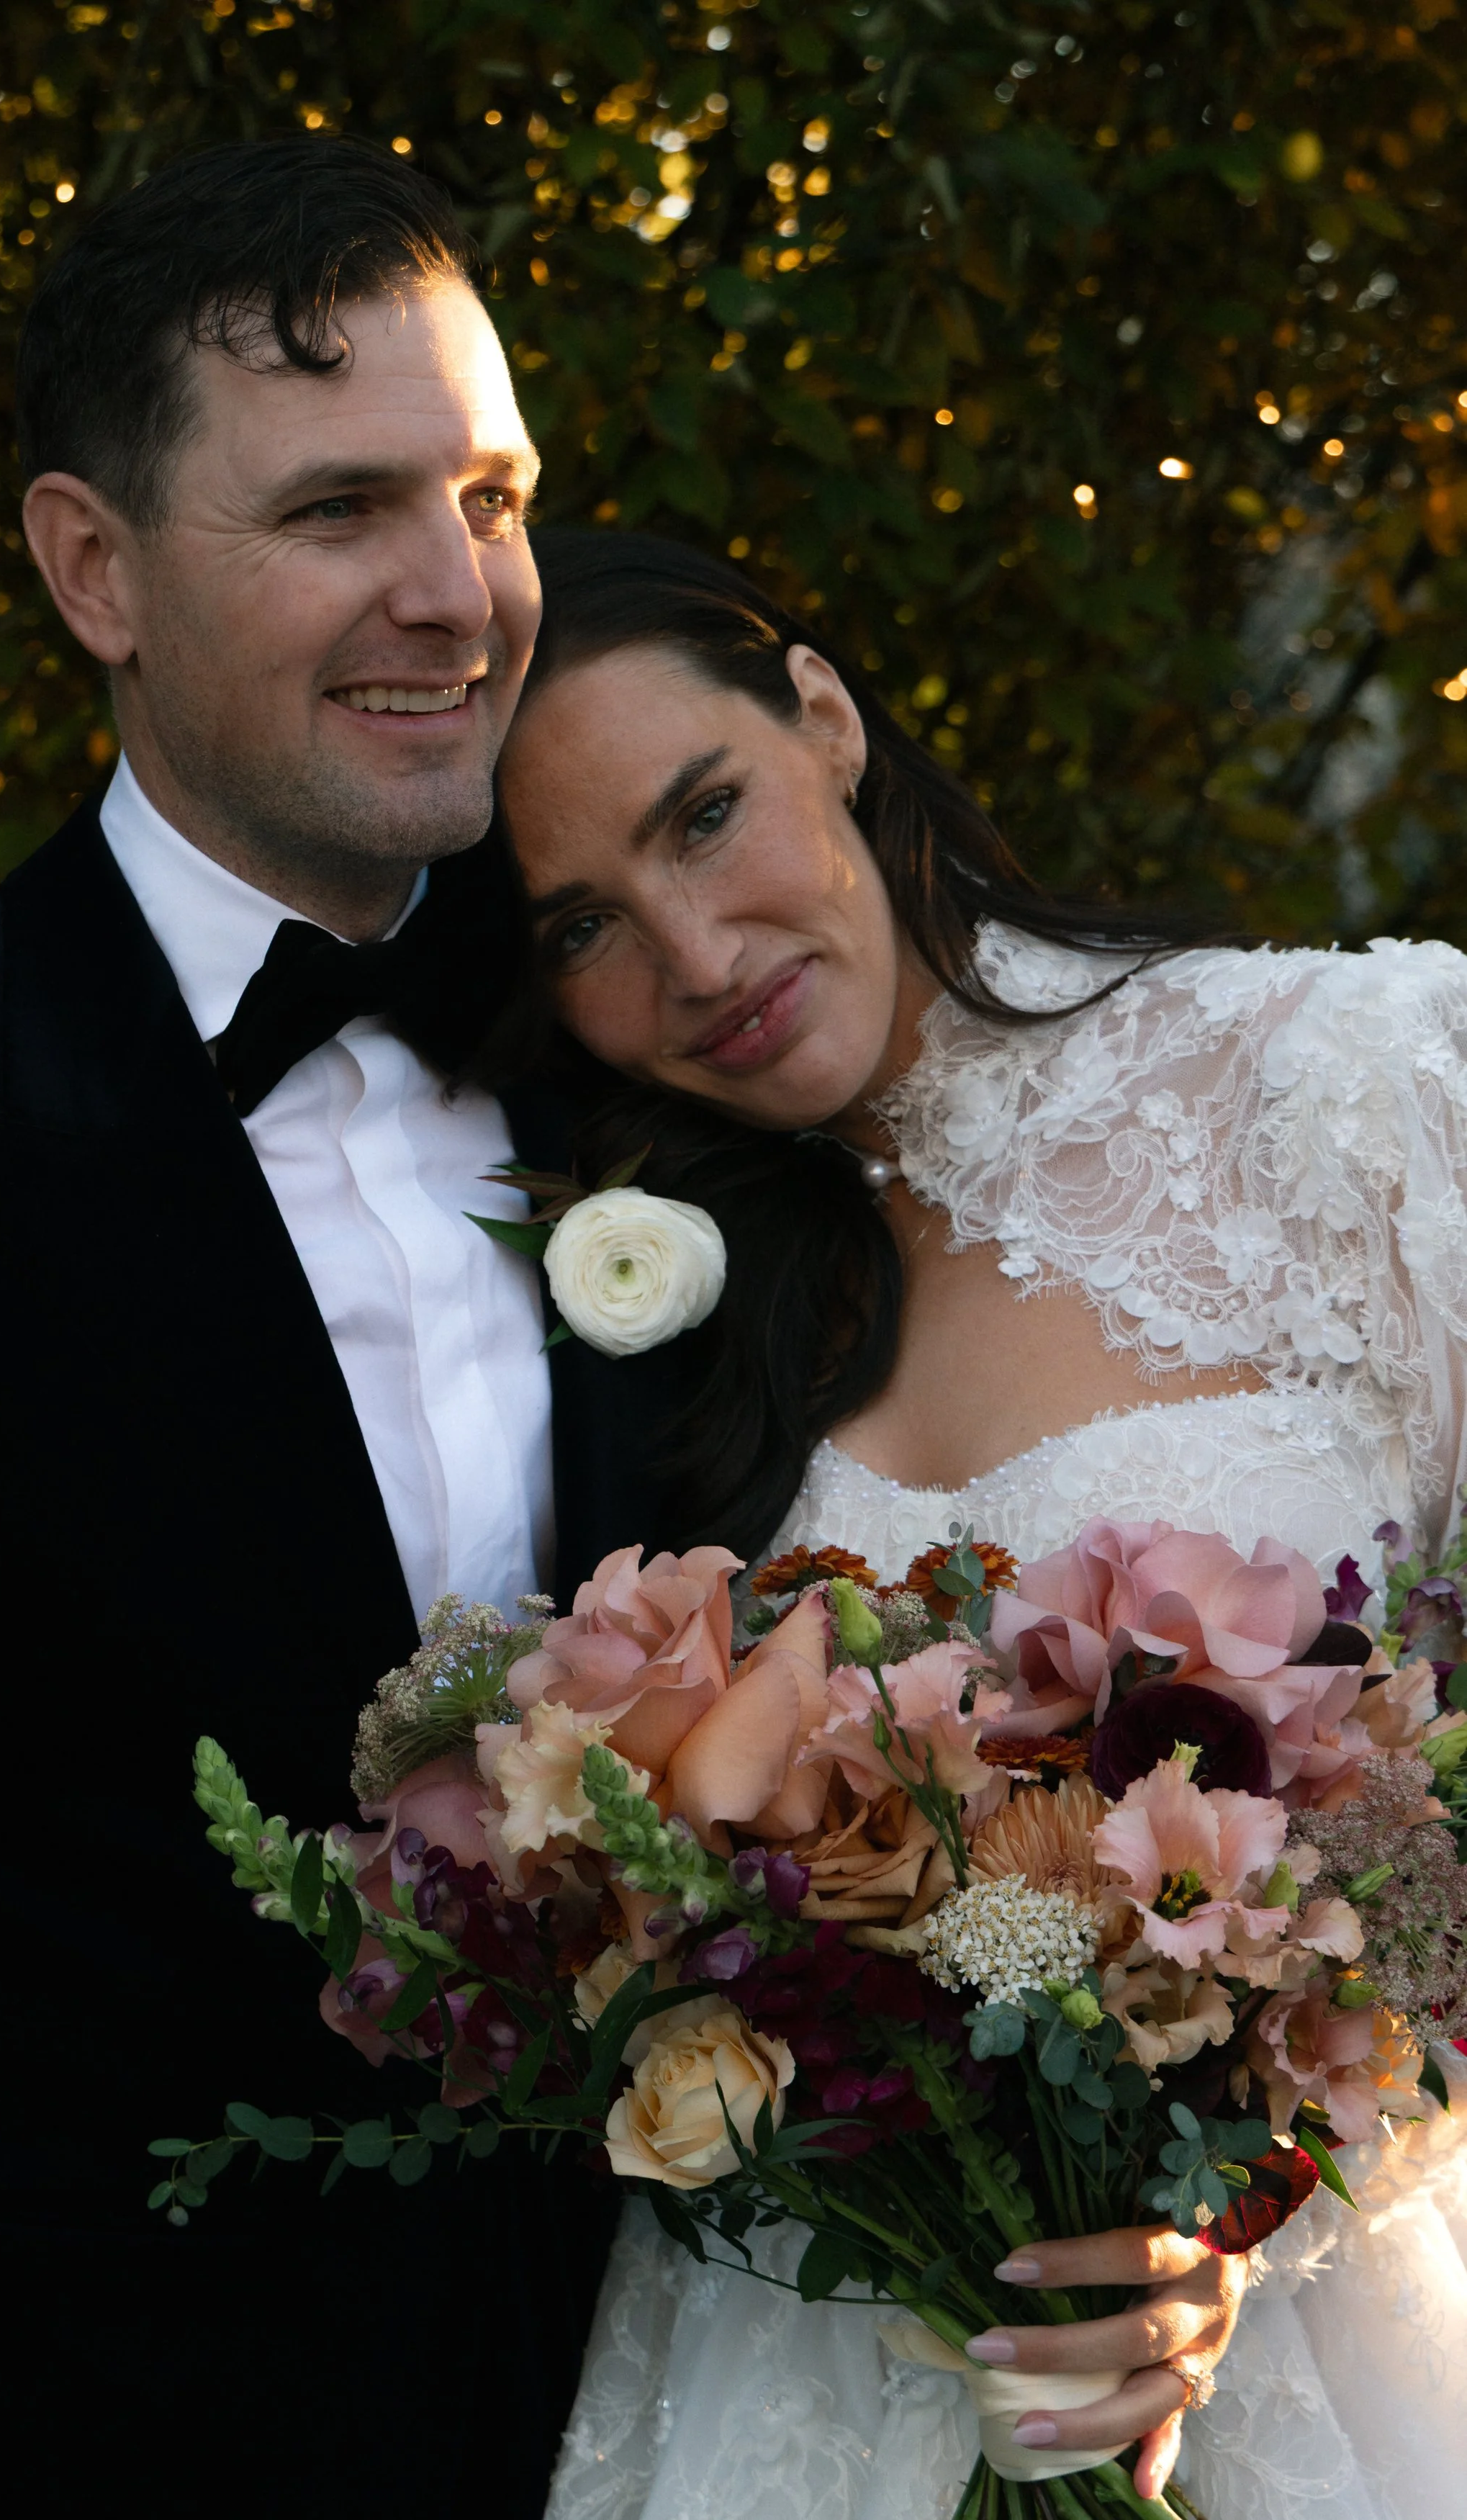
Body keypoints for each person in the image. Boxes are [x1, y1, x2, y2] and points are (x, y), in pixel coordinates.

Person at [0, 140, 674, 2518]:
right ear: (91, 568)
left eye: (493, 491)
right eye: (339, 511)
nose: (459, 596)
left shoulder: (656, 1060)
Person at [495, 530, 1467, 2520]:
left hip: (1301, 2357)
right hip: (786, 2379)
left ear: (825, 717)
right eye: (579, 925)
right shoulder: (655, 1341)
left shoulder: (1346, 1083)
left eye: (706, 812)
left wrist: (1248, 2201)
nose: (694, 955)